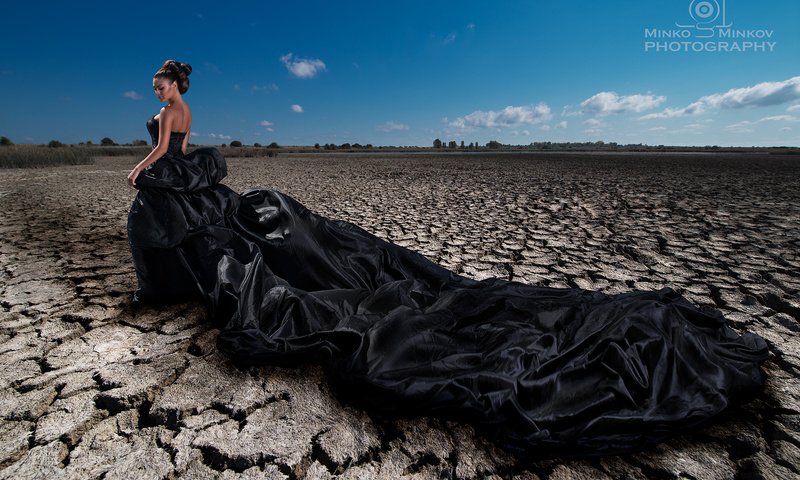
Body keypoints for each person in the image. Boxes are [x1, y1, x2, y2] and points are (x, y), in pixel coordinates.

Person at [126, 59, 769, 458]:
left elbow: (165, 157)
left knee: (350, 289)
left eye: (161, 80)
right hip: (194, 193)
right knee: (246, 237)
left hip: (181, 189)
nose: (157, 87)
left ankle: (176, 279)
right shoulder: (178, 110)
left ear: (173, 84)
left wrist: (141, 167)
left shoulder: (170, 113)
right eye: (159, 82)